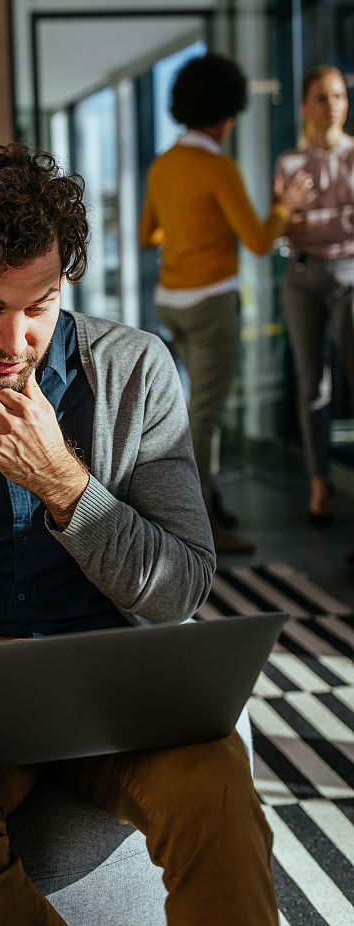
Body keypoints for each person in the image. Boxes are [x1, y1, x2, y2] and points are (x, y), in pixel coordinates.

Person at [0, 143, 280, 926]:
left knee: (217, 796)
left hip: (120, 678)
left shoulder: (136, 372)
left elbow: (182, 587)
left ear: (64, 280)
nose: (15, 338)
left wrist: (67, 488)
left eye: (40, 305)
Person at [140, 52, 310, 553]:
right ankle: (200, 523)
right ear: (226, 116)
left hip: (171, 303)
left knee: (194, 409)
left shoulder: (164, 164)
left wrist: (188, 229)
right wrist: (285, 208)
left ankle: (207, 500)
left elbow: (150, 234)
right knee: (205, 417)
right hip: (211, 304)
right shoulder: (218, 167)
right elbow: (258, 240)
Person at [273, 65, 354, 525]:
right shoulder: (289, 163)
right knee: (311, 386)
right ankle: (319, 486)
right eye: (322, 97)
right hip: (301, 277)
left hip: (349, 276)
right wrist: (330, 219)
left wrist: (308, 220)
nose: (332, 105)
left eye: (339, 95)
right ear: (305, 106)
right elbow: (280, 225)